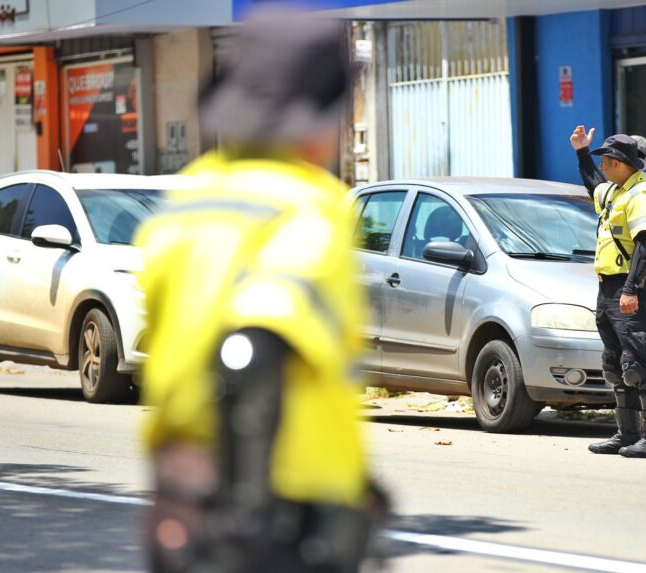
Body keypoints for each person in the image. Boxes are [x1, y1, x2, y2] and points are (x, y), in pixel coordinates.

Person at [136, 11, 385, 572]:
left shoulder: (185, 200)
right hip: (279, 514)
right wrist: (248, 520)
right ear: (318, 121)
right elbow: (248, 351)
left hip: (179, 495)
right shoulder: (308, 207)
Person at [570, 125, 646, 459]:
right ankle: (626, 434)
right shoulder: (616, 191)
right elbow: (593, 184)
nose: (603, 166)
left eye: (605, 160)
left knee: (639, 364)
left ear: (618, 162)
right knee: (616, 364)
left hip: (631, 287)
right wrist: (582, 152)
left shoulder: (642, 195)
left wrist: (631, 289)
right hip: (607, 288)